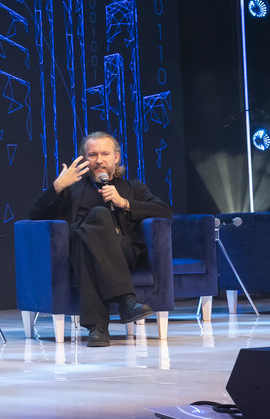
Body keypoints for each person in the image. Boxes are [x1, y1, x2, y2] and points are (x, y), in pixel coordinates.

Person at [28, 131, 172, 347]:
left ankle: (97, 327)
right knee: (92, 230)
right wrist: (58, 186)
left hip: (123, 251)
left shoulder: (132, 187)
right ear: (85, 160)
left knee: (94, 226)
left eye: (105, 154)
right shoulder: (72, 188)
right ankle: (124, 301)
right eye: (93, 155)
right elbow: (34, 214)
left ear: (116, 157)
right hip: (77, 252)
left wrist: (124, 203)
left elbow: (164, 211)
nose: (99, 160)